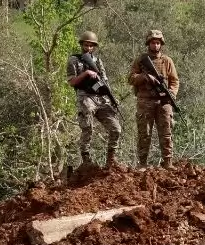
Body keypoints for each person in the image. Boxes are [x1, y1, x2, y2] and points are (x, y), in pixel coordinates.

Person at [65, 31, 122, 168]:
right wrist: (86, 73)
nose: (89, 48)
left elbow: (104, 82)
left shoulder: (97, 61)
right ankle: (86, 160)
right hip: (85, 95)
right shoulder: (74, 60)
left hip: (99, 97)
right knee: (87, 127)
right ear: (82, 44)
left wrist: (111, 97)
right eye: (86, 45)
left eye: (91, 45)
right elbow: (72, 82)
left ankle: (111, 160)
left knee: (116, 129)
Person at [129, 29, 180, 168]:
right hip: (145, 101)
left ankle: (168, 162)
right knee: (144, 133)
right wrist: (144, 77)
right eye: (153, 43)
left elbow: (174, 81)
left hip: (163, 102)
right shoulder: (141, 60)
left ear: (161, 44)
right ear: (148, 43)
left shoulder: (167, 61)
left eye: (158, 43)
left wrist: (171, 94)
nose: (155, 45)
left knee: (166, 132)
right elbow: (131, 78)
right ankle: (142, 164)